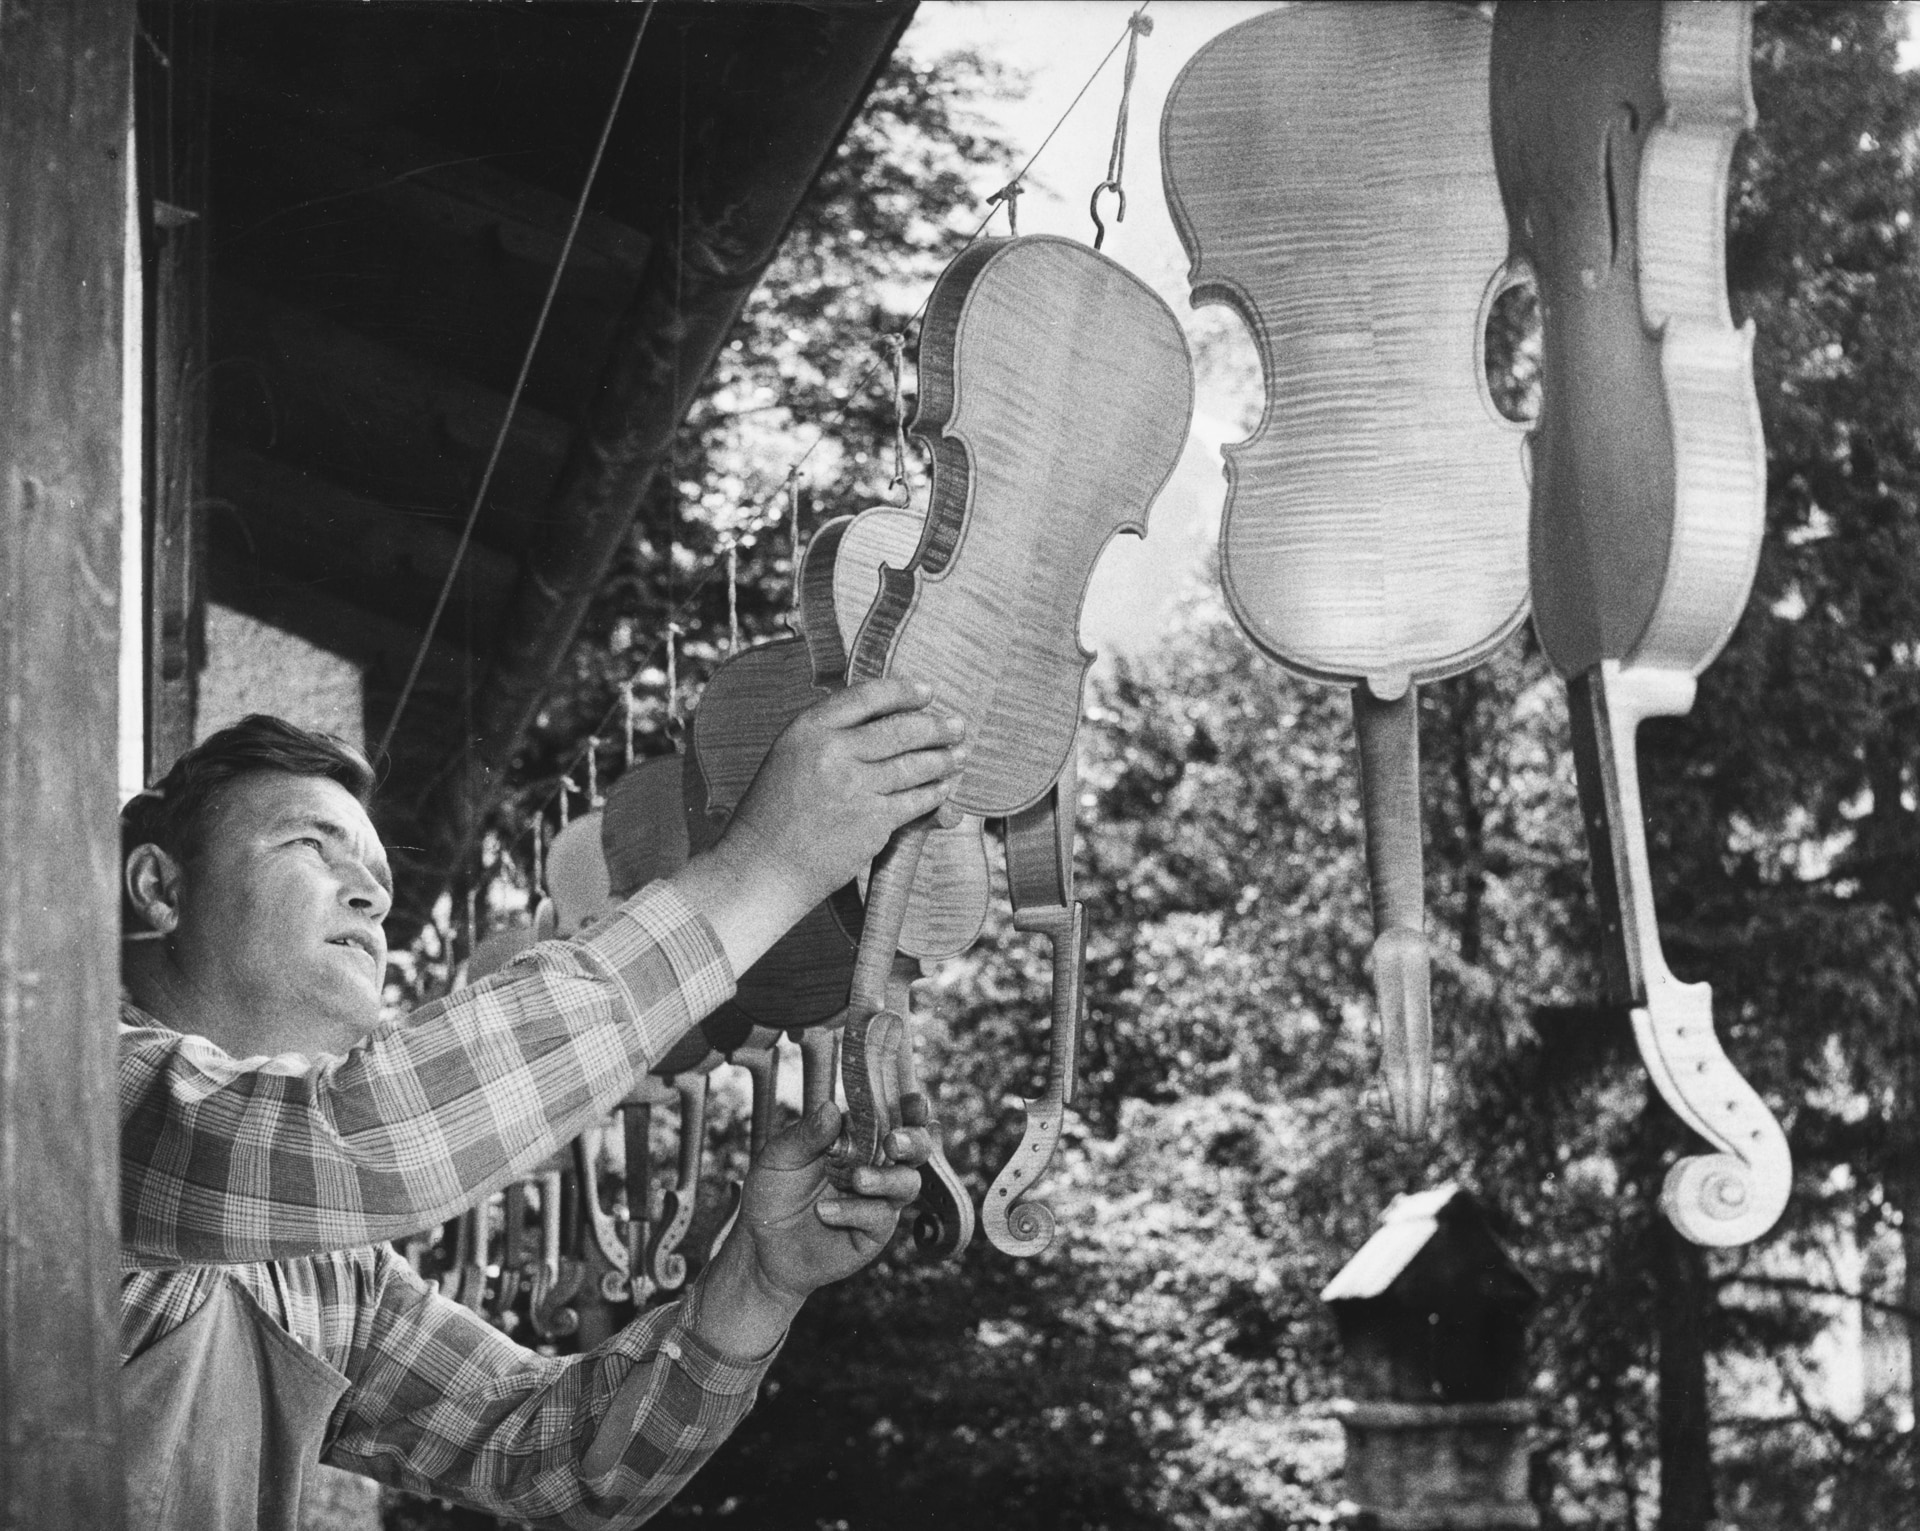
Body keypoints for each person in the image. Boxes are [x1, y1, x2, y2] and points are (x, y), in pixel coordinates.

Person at [117, 686, 965, 1529]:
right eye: (312, 844)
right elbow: (380, 1141)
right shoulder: (77, 1091)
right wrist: (768, 866)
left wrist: (759, 1278)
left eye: (377, 876)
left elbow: (556, 1461)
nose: (373, 897)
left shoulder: (328, 1272)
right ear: (161, 886)